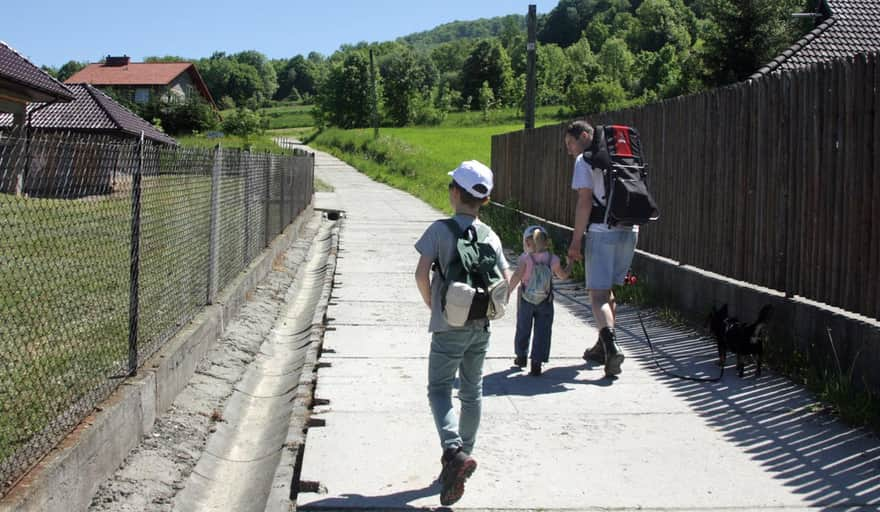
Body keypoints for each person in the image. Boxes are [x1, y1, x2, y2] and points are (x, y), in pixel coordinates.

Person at [414, 160, 512, 506]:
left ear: (455, 193)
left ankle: (453, 451)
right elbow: (506, 278)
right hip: (480, 326)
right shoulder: (492, 235)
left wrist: (433, 305)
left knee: (439, 389)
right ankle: (464, 457)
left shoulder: (439, 230)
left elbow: (421, 273)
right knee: (472, 392)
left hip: (448, 326)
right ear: (483, 200)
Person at [564, 120, 638, 378]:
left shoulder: (585, 161)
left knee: (597, 296)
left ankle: (612, 347)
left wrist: (575, 241)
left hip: (601, 232)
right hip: (630, 231)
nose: (569, 150)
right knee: (607, 292)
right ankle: (601, 346)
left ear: (585, 135)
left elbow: (584, 202)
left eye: (571, 143)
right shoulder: (620, 158)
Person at [508, 225, 571, 376]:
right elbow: (563, 276)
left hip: (526, 299)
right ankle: (537, 362)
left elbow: (517, 276)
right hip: (546, 301)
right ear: (547, 242)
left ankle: (521, 356)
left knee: (523, 327)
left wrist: (507, 291)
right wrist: (570, 264)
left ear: (527, 243)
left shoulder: (525, 259)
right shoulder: (553, 259)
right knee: (543, 330)